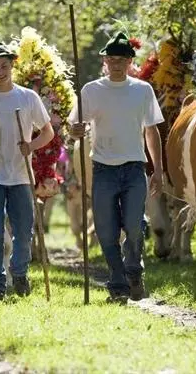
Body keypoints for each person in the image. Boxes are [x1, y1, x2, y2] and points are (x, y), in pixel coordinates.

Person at [69, 32, 164, 304]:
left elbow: (152, 131)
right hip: (103, 169)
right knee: (107, 232)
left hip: (134, 168)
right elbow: (76, 128)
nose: (116, 64)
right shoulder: (91, 90)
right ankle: (118, 283)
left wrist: (157, 169)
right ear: (104, 61)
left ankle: (134, 271)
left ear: (130, 61)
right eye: (111, 58)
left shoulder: (142, 90)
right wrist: (75, 130)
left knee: (134, 227)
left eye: (121, 59)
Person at [0, 41, 54, 302]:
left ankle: (20, 273)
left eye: (4, 66)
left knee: (24, 232)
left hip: (21, 176)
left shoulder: (28, 97)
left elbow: (47, 132)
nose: (0, 71)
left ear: (12, 65)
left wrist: (31, 146)